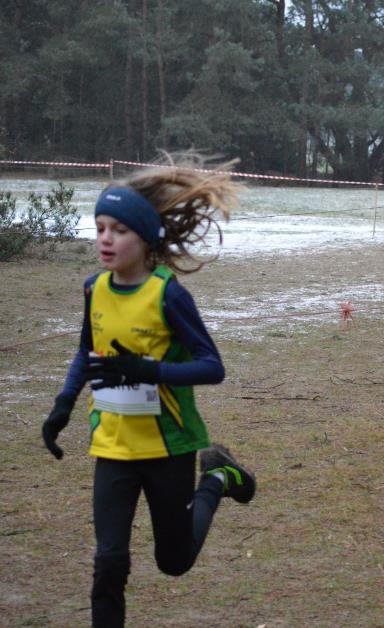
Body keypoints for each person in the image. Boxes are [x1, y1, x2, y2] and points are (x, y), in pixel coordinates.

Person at [40, 155, 255, 627]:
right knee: (109, 561)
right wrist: (62, 406)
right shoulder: (93, 289)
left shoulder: (168, 295)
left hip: (168, 447)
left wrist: (148, 370)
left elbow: (212, 368)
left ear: (145, 238)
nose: (105, 238)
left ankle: (218, 478)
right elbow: (85, 353)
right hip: (114, 446)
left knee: (173, 561)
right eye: (100, 227)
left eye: (118, 229)